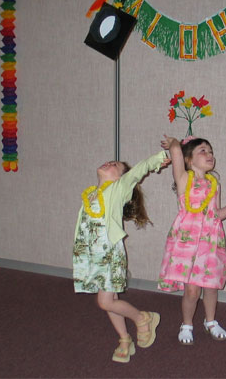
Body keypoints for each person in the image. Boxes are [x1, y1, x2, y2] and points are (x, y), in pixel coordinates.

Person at [73, 151, 170, 363]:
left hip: (109, 255)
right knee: (111, 300)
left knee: (104, 302)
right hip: (94, 257)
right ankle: (125, 339)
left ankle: (142, 318)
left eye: (115, 165)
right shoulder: (91, 195)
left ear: (120, 177)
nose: (109, 163)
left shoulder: (119, 189)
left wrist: (158, 159)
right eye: (109, 161)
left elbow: (138, 170)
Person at [158, 135, 226, 345]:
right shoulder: (184, 179)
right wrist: (175, 144)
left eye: (211, 151)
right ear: (189, 160)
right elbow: (176, 153)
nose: (209, 154)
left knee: (210, 286)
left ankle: (211, 321)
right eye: (203, 151)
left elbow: (216, 214)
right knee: (191, 290)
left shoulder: (214, 184)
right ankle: (187, 324)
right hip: (188, 242)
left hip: (210, 241)